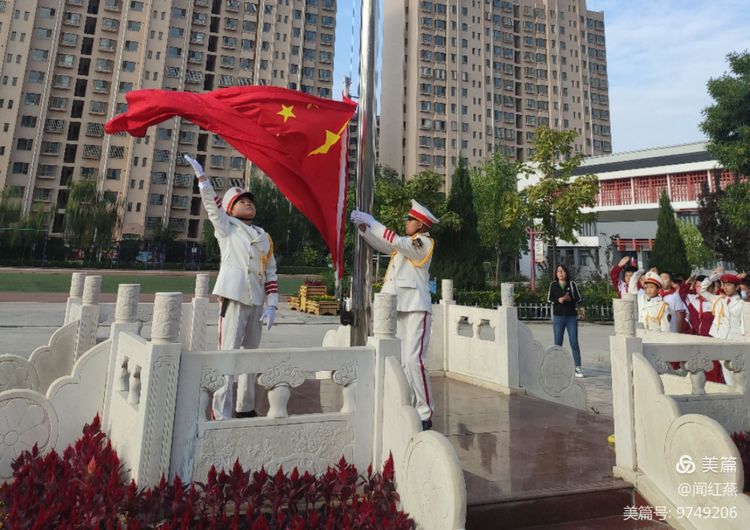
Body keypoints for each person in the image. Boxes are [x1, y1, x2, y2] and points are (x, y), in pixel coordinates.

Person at [185, 154, 278, 420]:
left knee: (251, 357)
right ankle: (221, 412)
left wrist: (272, 305)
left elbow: (271, 272)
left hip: (256, 301)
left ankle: (245, 407)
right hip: (234, 297)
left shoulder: (264, 236)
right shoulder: (227, 228)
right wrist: (203, 179)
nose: (248, 203)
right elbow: (212, 206)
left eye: (250, 201)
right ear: (230, 209)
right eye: (241, 201)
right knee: (228, 355)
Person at [350, 201, 438, 431]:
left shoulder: (422, 242)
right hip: (400, 305)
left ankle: (425, 412)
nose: (406, 223)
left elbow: (396, 241)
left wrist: (373, 222)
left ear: (420, 224)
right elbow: (386, 244)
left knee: (414, 361)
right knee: (403, 361)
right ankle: (409, 406)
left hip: (417, 306)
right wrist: (365, 230)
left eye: (410, 220)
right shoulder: (406, 244)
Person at [547, 264, 584, 378]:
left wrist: (569, 299)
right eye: (558, 271)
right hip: (558, 317)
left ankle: (577, 367)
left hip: (571, 317)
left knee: (574, 341)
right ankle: (556, 367)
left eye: (563, 271)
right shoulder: (553, 284)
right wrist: (558, 300)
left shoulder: (572, 284)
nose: (561, 273)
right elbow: (549, 299)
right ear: (556, 274)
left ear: (566, 273)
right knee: (558, 342)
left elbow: (578, 298)